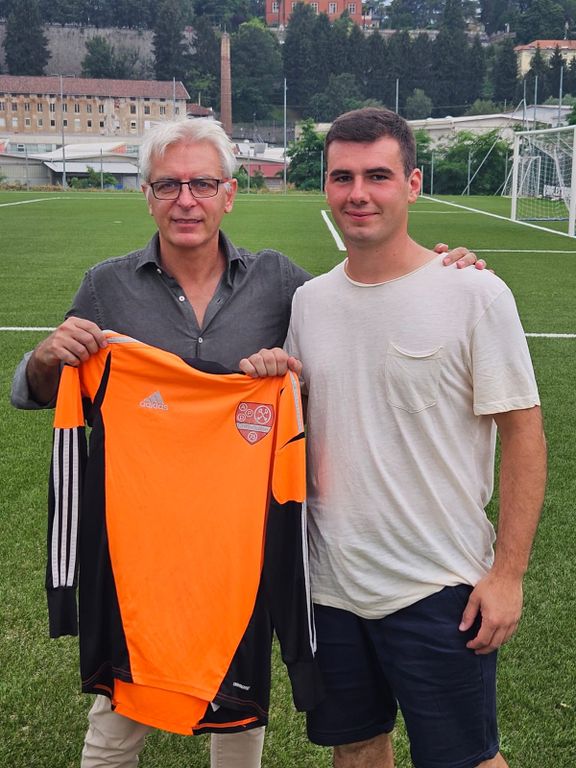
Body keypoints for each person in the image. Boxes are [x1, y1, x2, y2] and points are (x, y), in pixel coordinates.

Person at [11, 116, 482, 768]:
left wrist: (440, 273)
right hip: (138, 543)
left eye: (203, 184)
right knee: (119, 715)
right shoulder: (106, 286)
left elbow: (362, 307)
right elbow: (39, 390)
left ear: (229, 194)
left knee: (238, 711)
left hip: (241, 541)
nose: (186, 201)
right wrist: (45, 358)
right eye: (168, 185)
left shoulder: (280, 283)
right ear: (147, 195)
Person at [239, 107, 547, 768]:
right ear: (325, 185)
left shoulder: (475, 294)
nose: (358, 193)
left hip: (438, 584)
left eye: (377, 176)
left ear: (412, 184)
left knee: (467, 760)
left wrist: (508, 574)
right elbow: (300, 418)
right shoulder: (310, 303)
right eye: (342, 177)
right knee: (356, 749)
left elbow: (524, 434)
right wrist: (271, 379)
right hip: (329, 585)